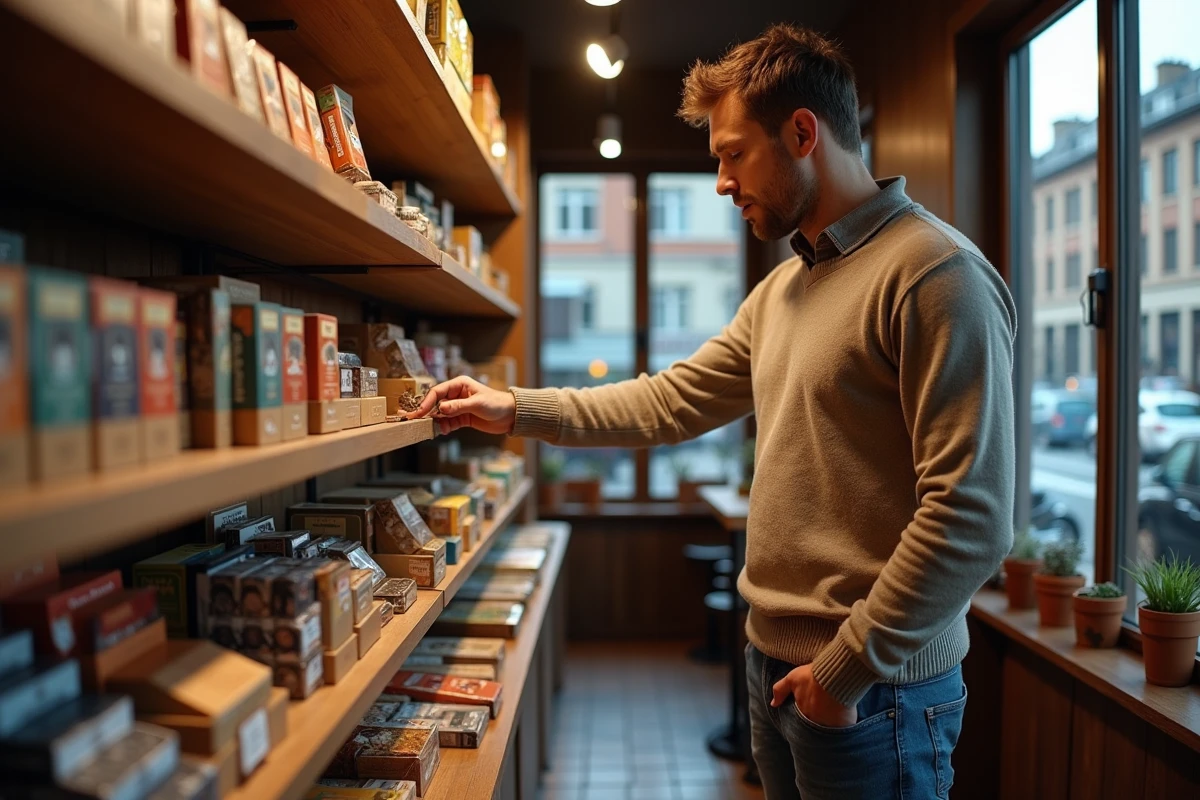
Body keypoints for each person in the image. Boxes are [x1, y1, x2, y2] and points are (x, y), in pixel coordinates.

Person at [407, 22, 1016, 800]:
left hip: (876, 692)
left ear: (802, 132)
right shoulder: (783, 291)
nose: (722, 182)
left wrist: (843, 671)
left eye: (732, 154)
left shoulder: (936, 275)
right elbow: (669, 401)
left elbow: (972, 516)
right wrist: (515, 408)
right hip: (780, 671)